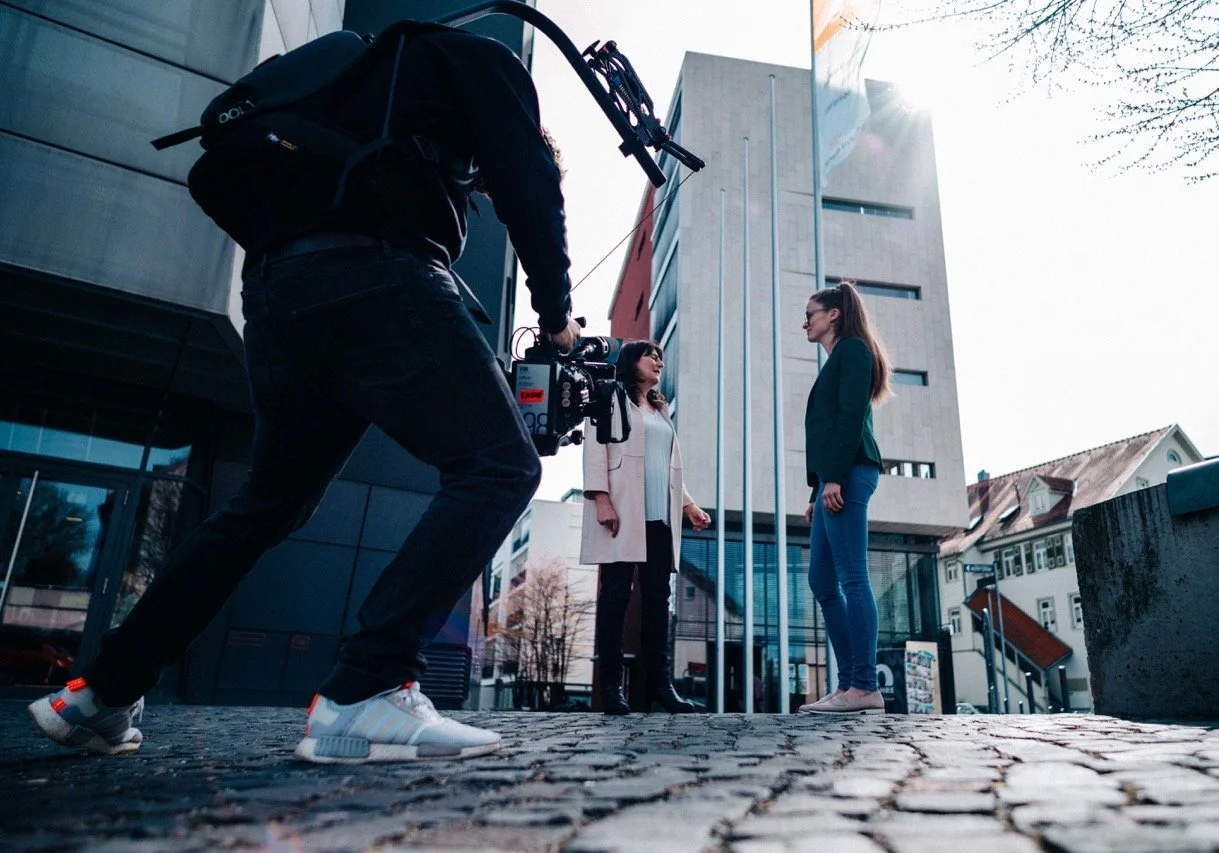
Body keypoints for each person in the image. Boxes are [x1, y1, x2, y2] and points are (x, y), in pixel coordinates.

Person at [28, 23, 581, 763]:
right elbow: (529, 183)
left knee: (270, 501)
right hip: (376, 275)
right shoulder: (490, 64)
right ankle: (368, 688)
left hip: (280, 290)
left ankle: (99, 692)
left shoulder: (369, 87)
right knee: (501, 464)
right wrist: (555, 315)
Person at [580, 340, 711, 715]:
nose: (658, 360)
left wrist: (688, 505)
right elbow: (595, 448)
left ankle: (660, 685)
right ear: (630, 361)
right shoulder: (608, 397)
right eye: (650, 354)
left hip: (659, 518)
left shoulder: (660, 407)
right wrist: (601, 499)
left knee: (657, 603)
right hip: (622, 513)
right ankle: (611, 687)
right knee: (615, 599)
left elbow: (665, 466)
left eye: (661, 357)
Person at [798, 281, 892, 715]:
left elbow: (851, 418)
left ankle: (864, 685)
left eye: (811, 314)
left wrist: (833, 479)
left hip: (850, 473)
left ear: (833, 314)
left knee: (852, 576)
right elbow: (830, 426)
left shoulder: (853, 350)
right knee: (822, 580)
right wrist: (819, 488)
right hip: (833, 479)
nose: (806, 322)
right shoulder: (838, 358)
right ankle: (848, 684)